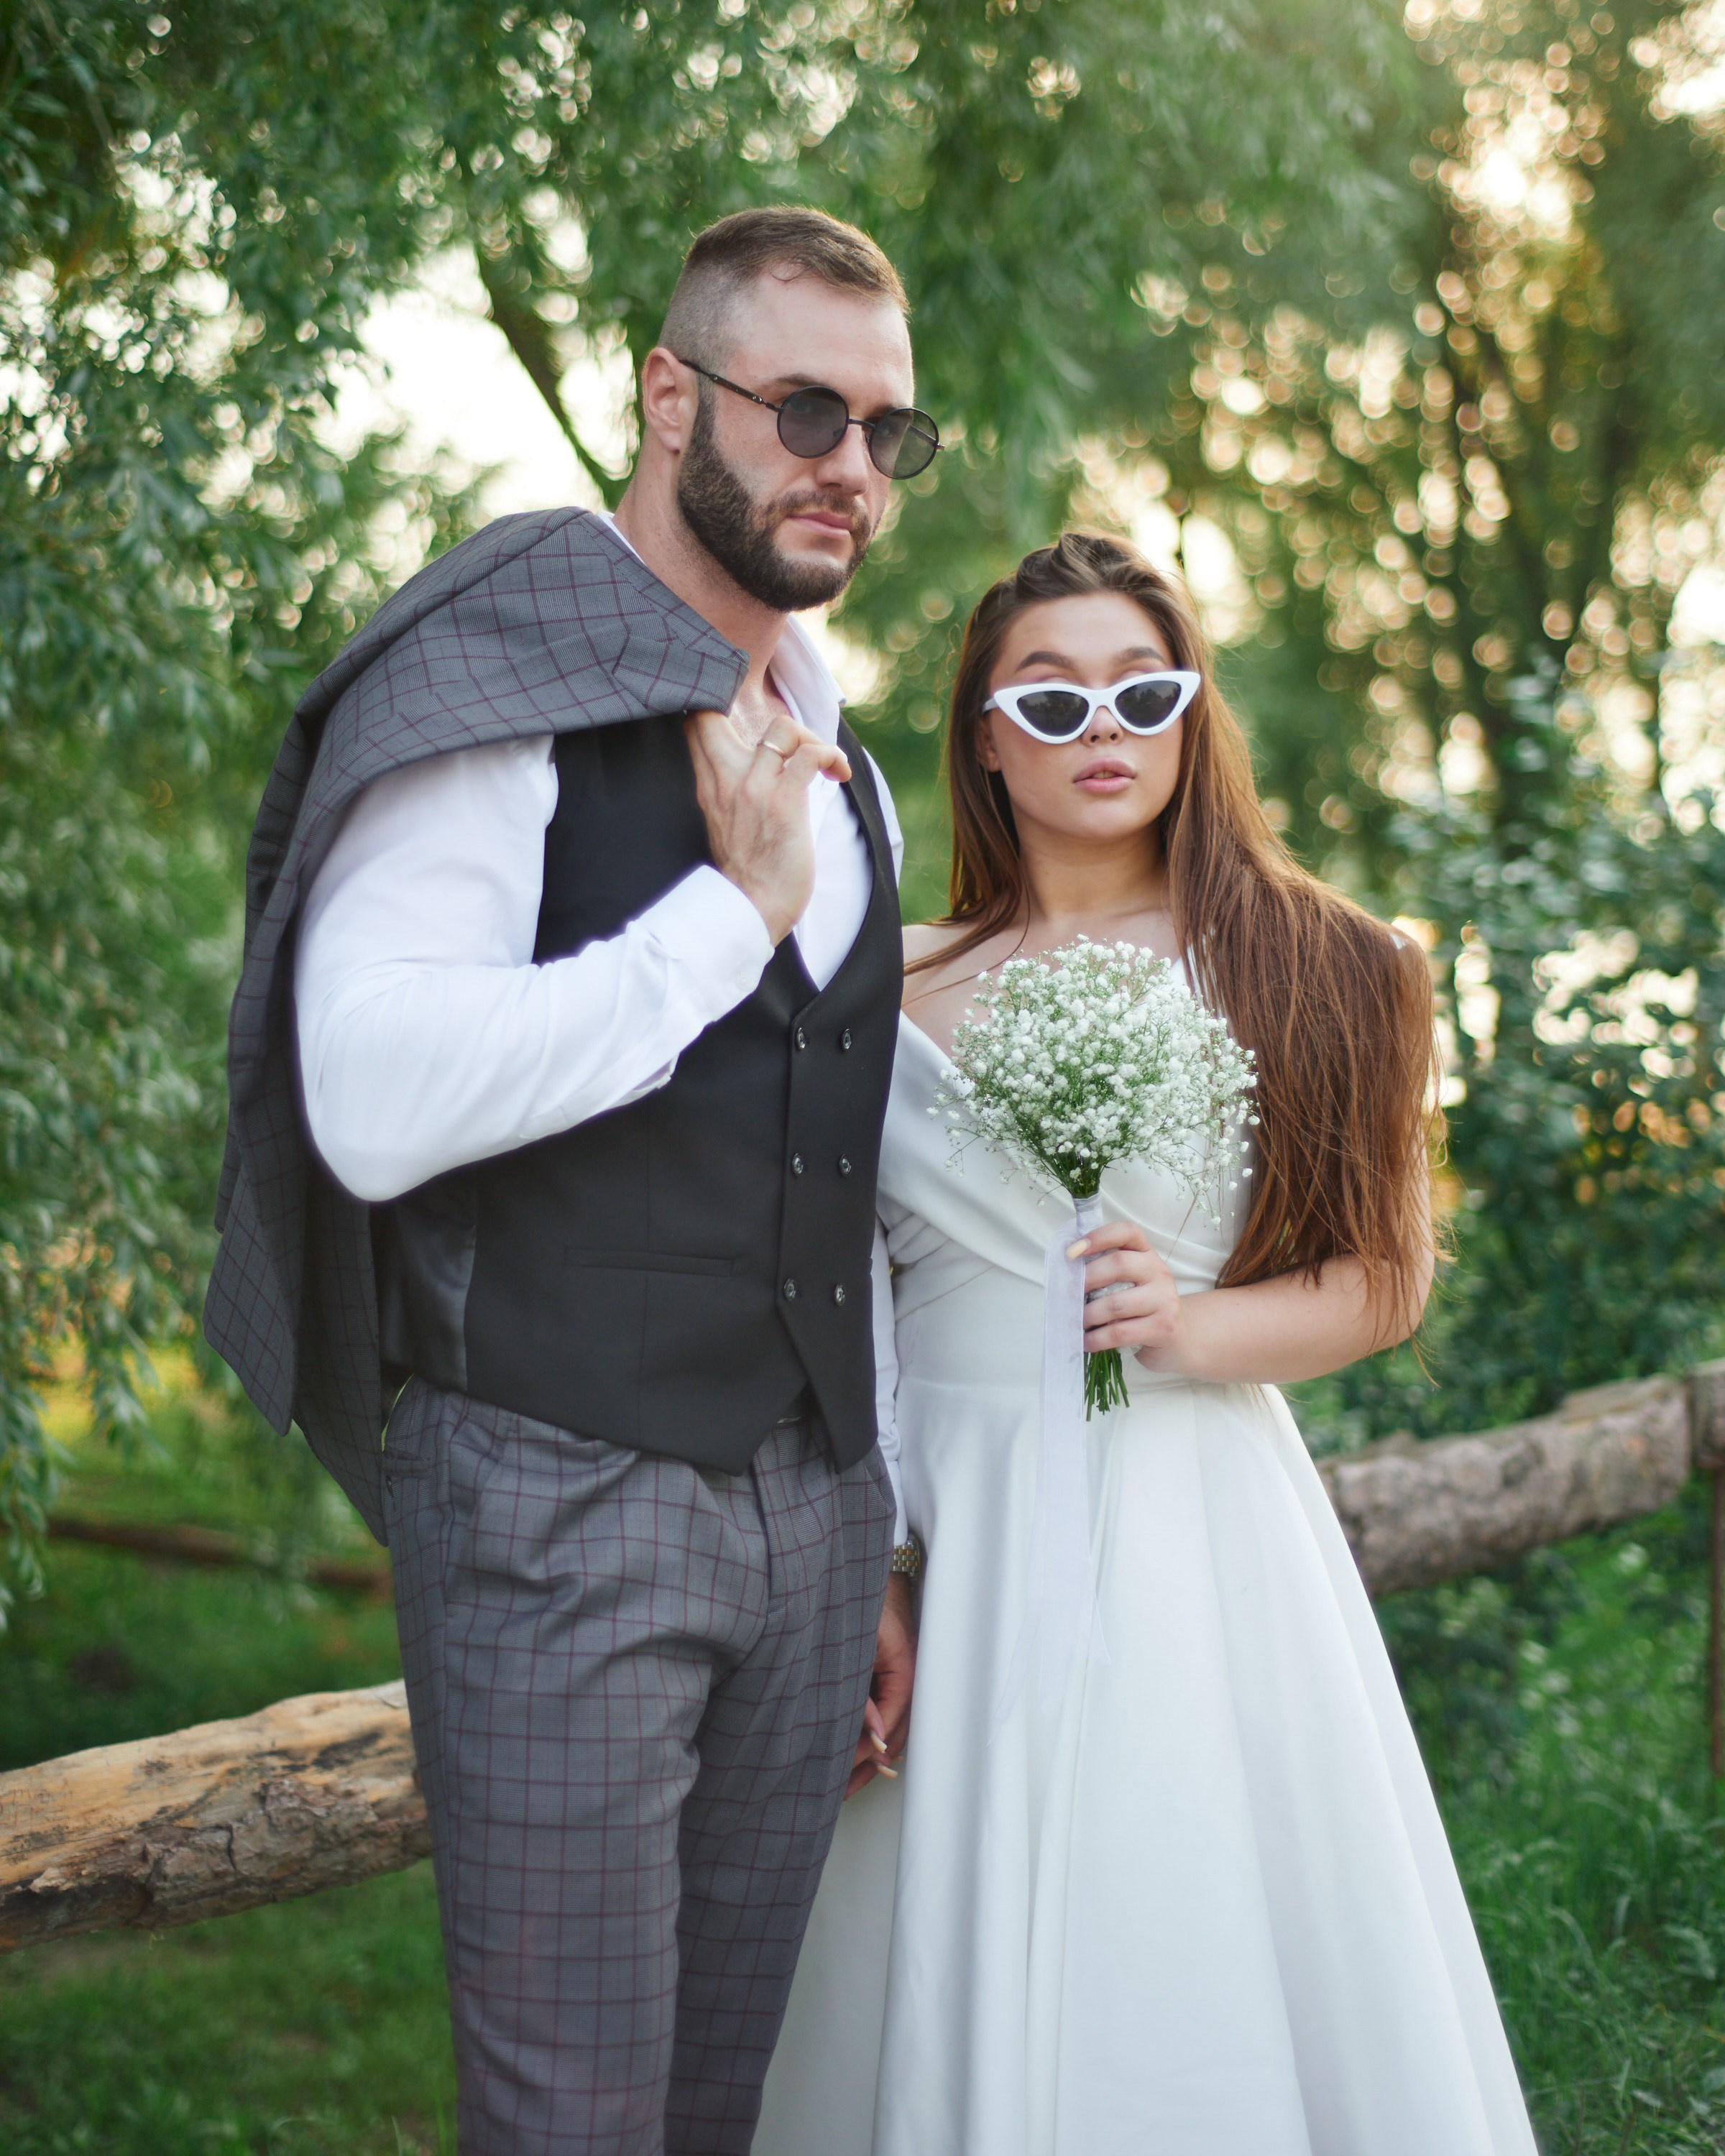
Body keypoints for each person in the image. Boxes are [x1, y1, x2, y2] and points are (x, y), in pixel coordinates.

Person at [204, 206, 934, 2155]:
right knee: (573, 2122)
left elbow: (825, 1152)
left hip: (805, 1516)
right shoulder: (502, 667)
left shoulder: (837, 747)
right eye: (804, 411)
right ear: (669, 394)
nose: (849, 467)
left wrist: (865, 1519)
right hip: (553, 1492)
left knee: (716, 2107)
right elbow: (368, 1098)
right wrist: (721, 921)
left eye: (889, 433)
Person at [755, 530, 1539, 2155]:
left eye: (1142, 691)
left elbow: (1382, 1281)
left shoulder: (1325, 963)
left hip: (1196, 1511)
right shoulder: (880, 984)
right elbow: (854, 1309)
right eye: (1047, 703)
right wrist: (881, 1561)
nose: (1100, 729)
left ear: (1192, 718)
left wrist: (1187, 1326)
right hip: (953, 1526)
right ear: (981, 735)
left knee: (1182, 1902)